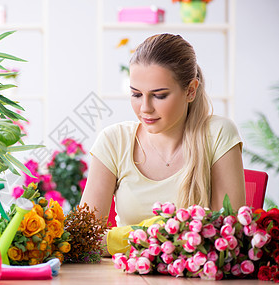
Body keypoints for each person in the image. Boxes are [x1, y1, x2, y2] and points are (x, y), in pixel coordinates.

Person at [80, 33, 245, 255]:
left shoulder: (217, 134)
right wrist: (162, 233)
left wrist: (124, 238)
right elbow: (85, 237)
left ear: (190, 90)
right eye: (136, 94)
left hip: (197, 283)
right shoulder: (113, 141)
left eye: (159, 95)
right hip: (125, 280)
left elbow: (228, 235)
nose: (145, 108)